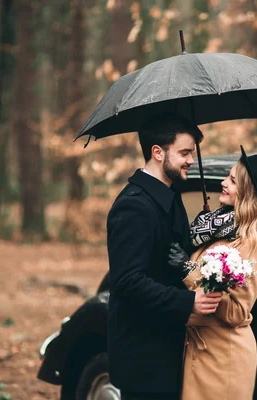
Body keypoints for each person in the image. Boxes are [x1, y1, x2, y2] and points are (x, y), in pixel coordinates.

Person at [106, 114, 223, 400]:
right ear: (157, 152)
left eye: (192, 153)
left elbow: (170, 254)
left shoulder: (171, 197)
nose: (190, 160)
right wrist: (189, 301)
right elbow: (127, 282)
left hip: (168, 344)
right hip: (143, 354)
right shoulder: (133, 206)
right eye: (184, 153)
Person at [168, 146, 257, 400]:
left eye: (232, 180)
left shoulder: (255, 243)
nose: (223, 183)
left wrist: (187, 269)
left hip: (224, 355)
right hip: (201, 348)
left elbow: (236, 312)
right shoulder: (220, 227)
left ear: (248, 192)